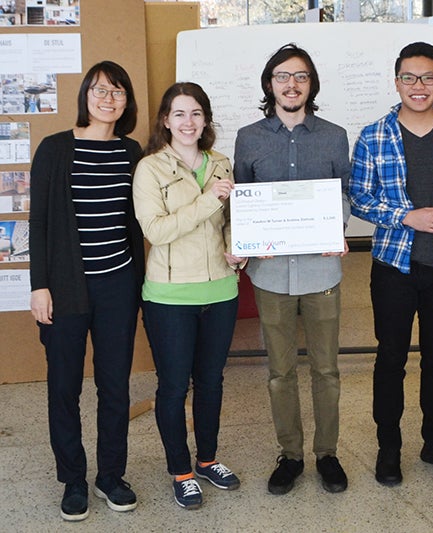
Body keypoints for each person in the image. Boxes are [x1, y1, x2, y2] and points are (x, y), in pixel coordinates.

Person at [349, 41, 433, 486]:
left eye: (427, 78)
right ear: (396, 80)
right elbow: (360, 200)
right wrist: (405, 216)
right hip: (393, 268)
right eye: (409, 77)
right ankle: (389, 446)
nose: (418, 86)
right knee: (390, 358)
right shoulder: (374, 134)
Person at [233, 44, 350, 495]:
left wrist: (335, 226)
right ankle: (291, 454)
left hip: (322, 273)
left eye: (301, 76)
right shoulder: (249, 137)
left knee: (326, 370)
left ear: (311, 84)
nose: (292, 84)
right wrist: (242, 239)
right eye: (283, 76)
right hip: (270, 274)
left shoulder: (334, 135)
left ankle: (327, 454)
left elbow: (345, 193)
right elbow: (243, 198)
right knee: (280, 371)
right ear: (270, 84)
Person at [29, 61, 143, 521]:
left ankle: (110, 476)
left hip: (119, 283)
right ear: (85, 96)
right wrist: (39, 286)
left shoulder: (132, 152)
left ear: (126, 101)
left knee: (115, 386)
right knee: (64, 387)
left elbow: (143, 217)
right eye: (99, 90)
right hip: (66, 288)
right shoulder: (56, 148)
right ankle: (72, 479)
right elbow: (37, 223)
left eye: (117, 91)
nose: (108, 98)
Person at [133, 82, 244, 510]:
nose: (188, 122)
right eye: (179, 114)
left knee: (212, 382)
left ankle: (208, 460)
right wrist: (205, 201)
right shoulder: (150, 169)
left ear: (206, 120)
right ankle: (180, 471)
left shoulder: (221, 162)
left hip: (221, 289)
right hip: (169, 295)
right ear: (165, 120)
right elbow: (155, 231)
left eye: (196, 113)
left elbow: (233, 218)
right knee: (174, 386)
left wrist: (237, 248)